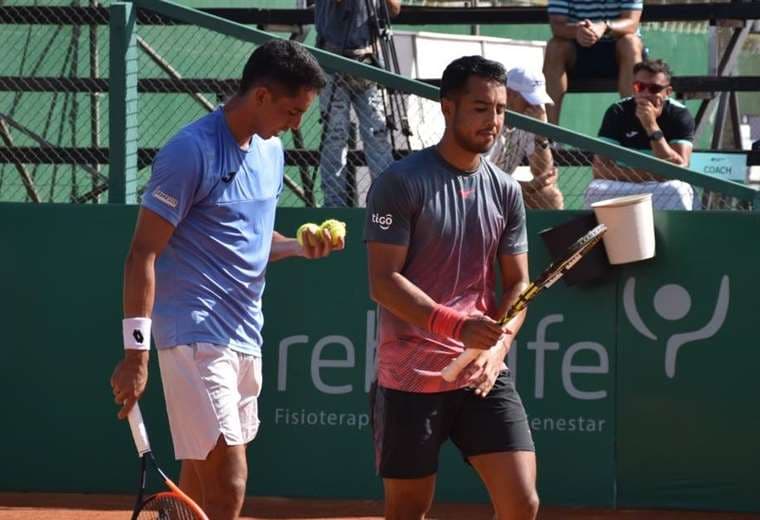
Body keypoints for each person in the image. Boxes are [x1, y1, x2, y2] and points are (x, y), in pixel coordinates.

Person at [109, 40, 342, 520]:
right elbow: (141, 254)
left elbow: (251, 242)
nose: (298, 124)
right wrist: (135, 355)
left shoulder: (271, 152)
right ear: (260, 96)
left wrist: (300, 246)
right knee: (230, 481)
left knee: (195, 482)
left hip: (244, 336)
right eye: (292, 111)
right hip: (194, 335)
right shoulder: (189, 151)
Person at [365, 55, 538, 520]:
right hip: (409, 378)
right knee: (408, 512)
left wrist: (495, 351)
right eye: (481, 108)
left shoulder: (506, 190)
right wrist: (457, 326)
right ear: (448, 107)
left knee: (522, 502)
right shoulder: (399, 183)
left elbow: (518, 282)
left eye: (501, 109)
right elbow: (383, 282)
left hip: (482, 375)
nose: (494, 121)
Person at [314, 0, 399, 207]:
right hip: (334, 60)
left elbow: (394, 10)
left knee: (377, 134)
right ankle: (334, 204)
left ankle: (385, 202)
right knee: (335, 136)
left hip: (367, 60)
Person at [586, 59, 696, 210]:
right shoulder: (618, 111)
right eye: (640, 87)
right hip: (624, 184)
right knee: (596, 189)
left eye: (654, 88)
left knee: (676, 189)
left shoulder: (680, 114)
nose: (645, 93)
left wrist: (651, 126)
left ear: (667, 92)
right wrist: (652, 174)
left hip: (661, 186)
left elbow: (678, 168)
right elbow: (599, 169)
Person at [543, 0, 644, 125]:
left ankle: (633, 129)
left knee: (630, 43)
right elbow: (557, 26)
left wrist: (605, 27)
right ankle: (549, 135)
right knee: (555, 48)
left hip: (619, 51)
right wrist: (577, 31)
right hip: (577, 50)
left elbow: (632, 23)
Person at [488, 66, 564, 209]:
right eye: (529, 99)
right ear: (509, 94)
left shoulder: (529, 117)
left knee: (550, 196)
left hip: (503, 191)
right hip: (475, 193)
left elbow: (541, 171)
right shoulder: (489, 121)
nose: (534, 106)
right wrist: (525, 187)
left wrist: (541, 133)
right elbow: (480, 178)